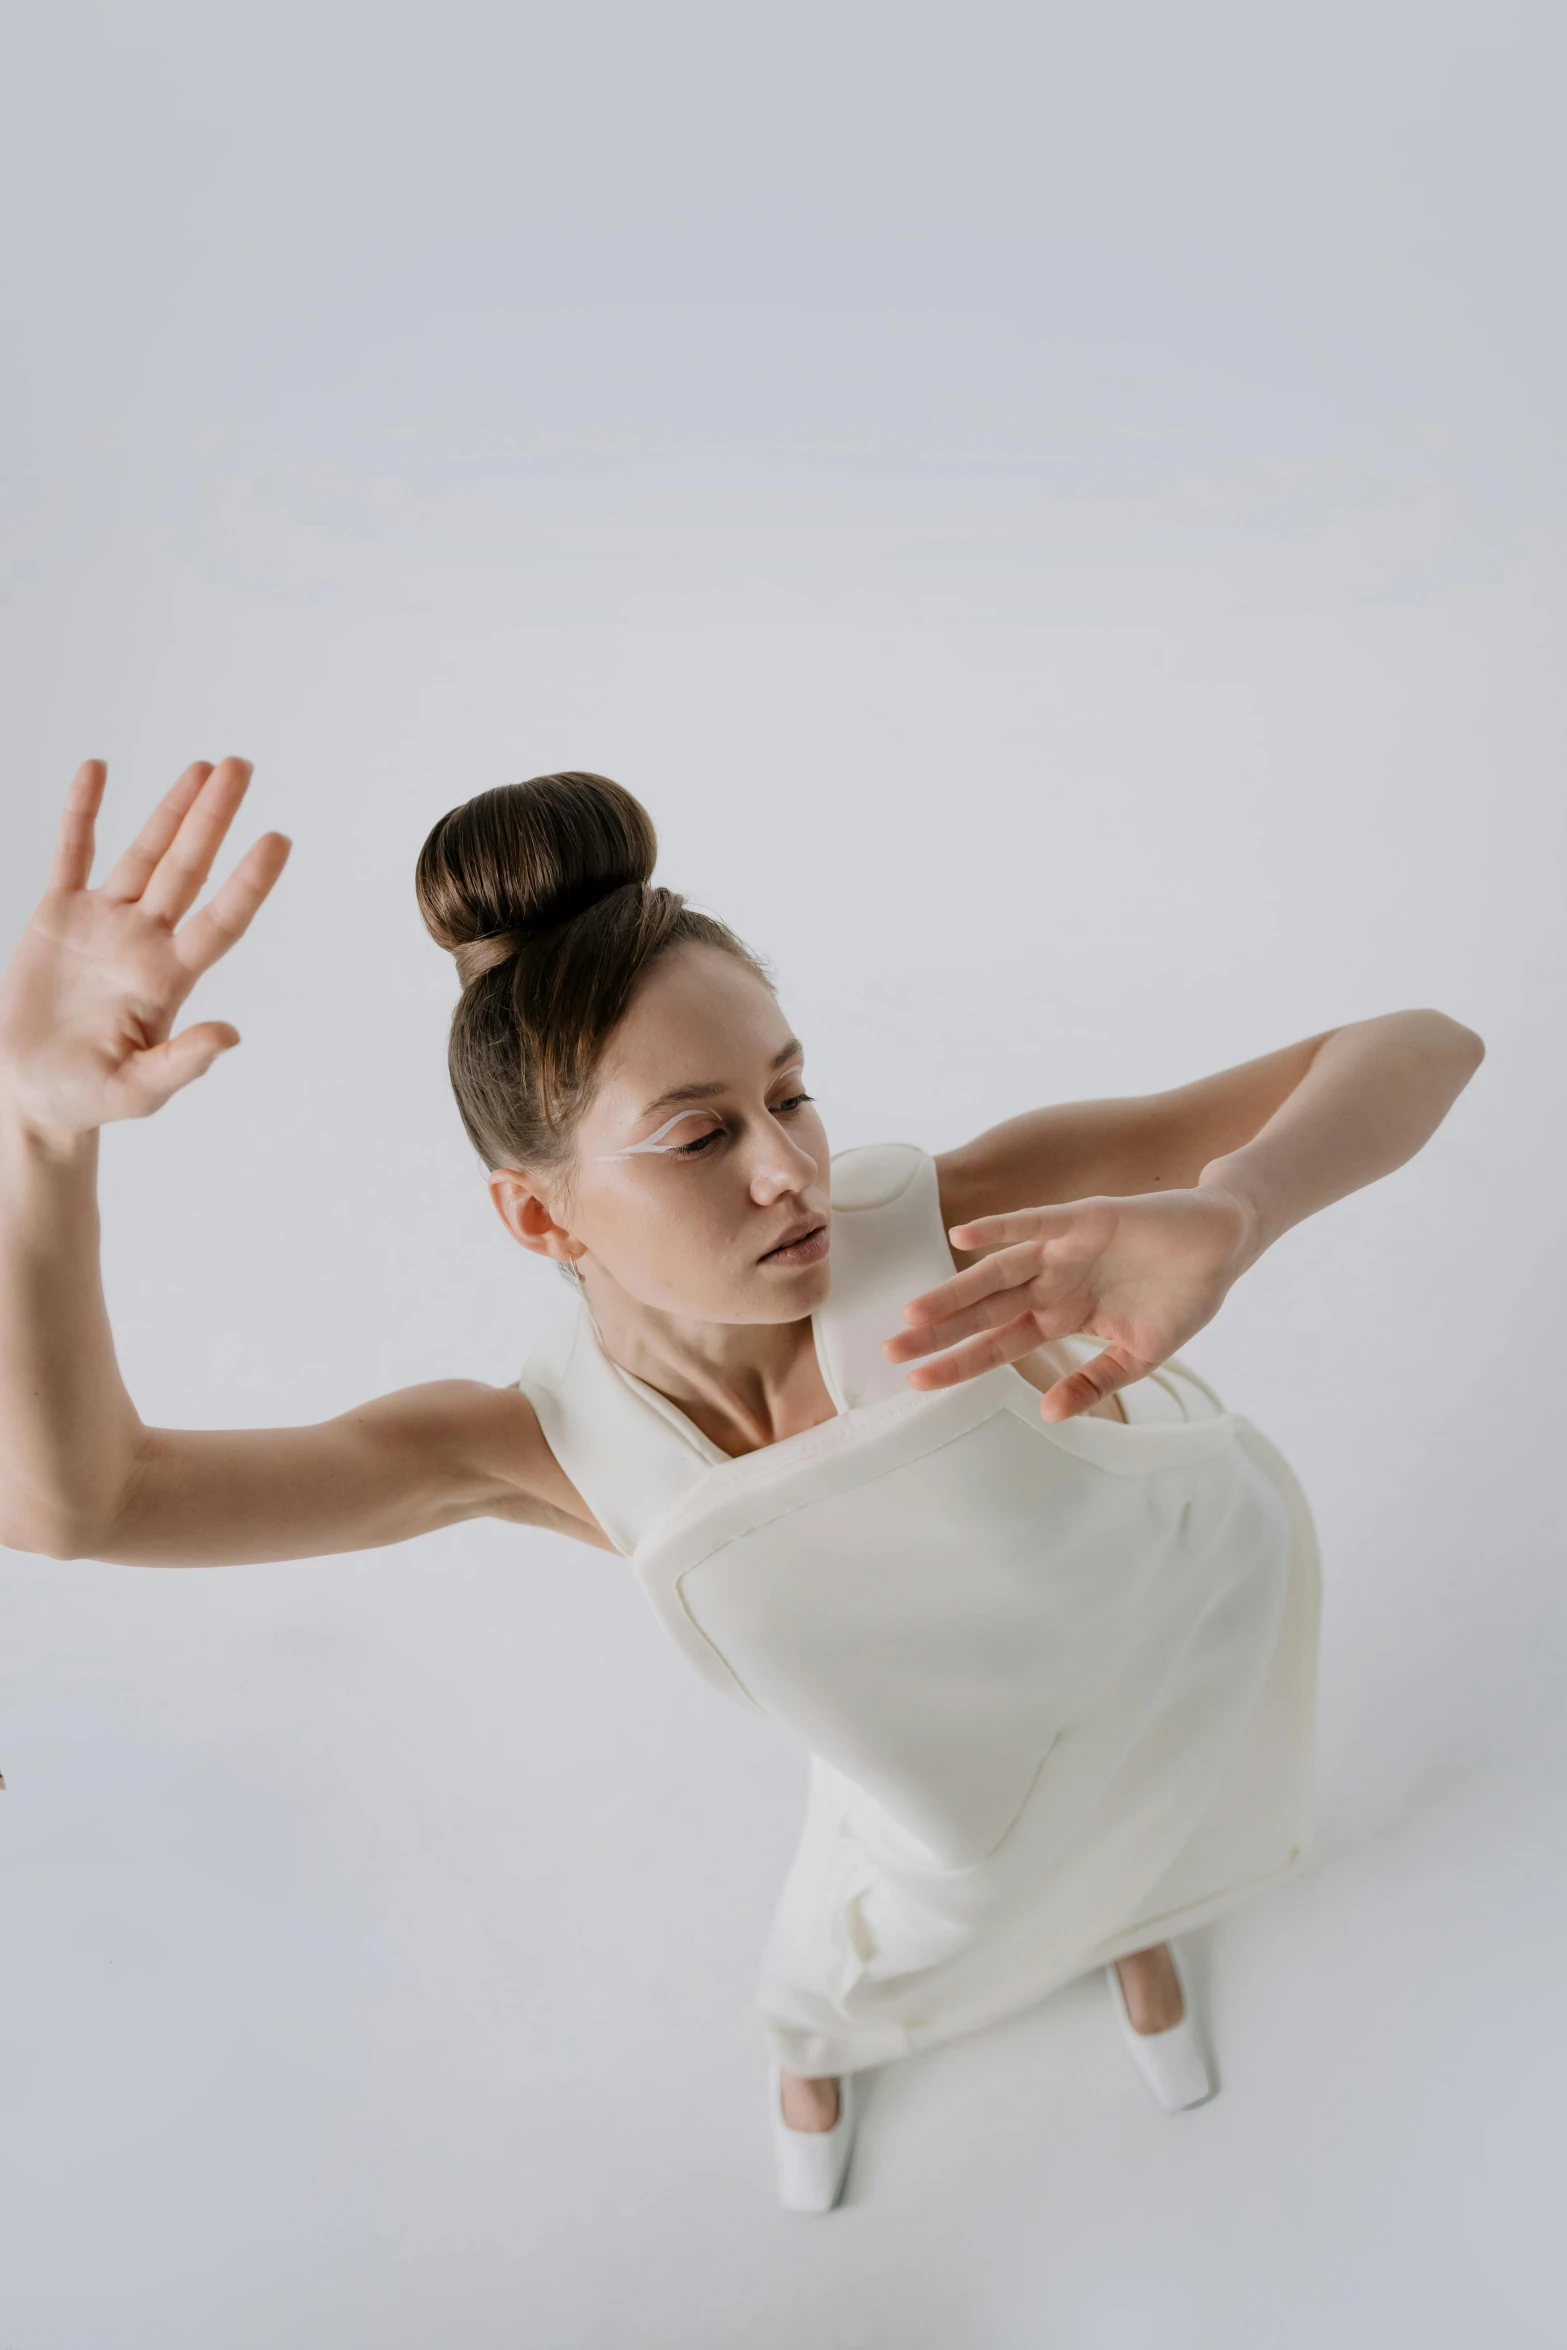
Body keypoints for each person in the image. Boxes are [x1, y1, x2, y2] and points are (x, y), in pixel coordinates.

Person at [0, 756, 1484, 2214]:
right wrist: (39, 1137)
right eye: (700, 1134)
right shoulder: (539, 1448)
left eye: (792, 1094)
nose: (790, 1172)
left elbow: (1421, 1040)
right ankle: (814, 2049)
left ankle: (1127, 1918)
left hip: (1179, 1621)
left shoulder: (947, 1219)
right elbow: (85, 1503)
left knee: (1151, 1828)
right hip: (941, 1782)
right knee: (863, 1940)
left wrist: (1242, 1202)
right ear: (535, 1212)